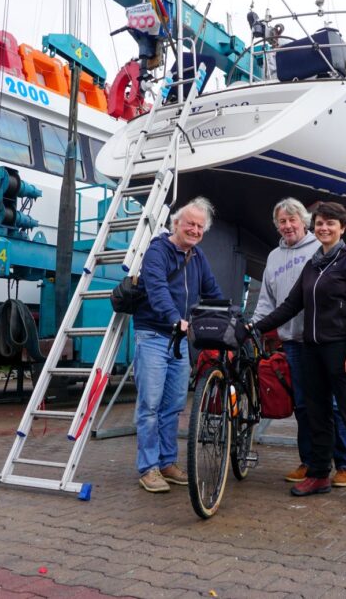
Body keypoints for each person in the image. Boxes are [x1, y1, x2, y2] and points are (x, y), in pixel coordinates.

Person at [254, 201, 346, 508]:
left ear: (342, 228)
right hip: (311, 350)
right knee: (317, 415)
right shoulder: (313, 264)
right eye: (320, 223)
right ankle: (319, 474)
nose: (324, 228)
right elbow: (289, 305)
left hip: (341, 351)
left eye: (331, 223)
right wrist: (255, 327)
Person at [132, 197, 224, 493]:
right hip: (155, 336)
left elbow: (212, 290)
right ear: (176, 224)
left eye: (200, 226)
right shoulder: (158, 251)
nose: (195, 230)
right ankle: (148, 468)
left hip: (180, 341)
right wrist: (175, 319)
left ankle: (167, 462)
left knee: (173, 406)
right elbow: (157, 289)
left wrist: (228, 317)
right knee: (149, 405)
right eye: (190, 224)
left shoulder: (197, 257)